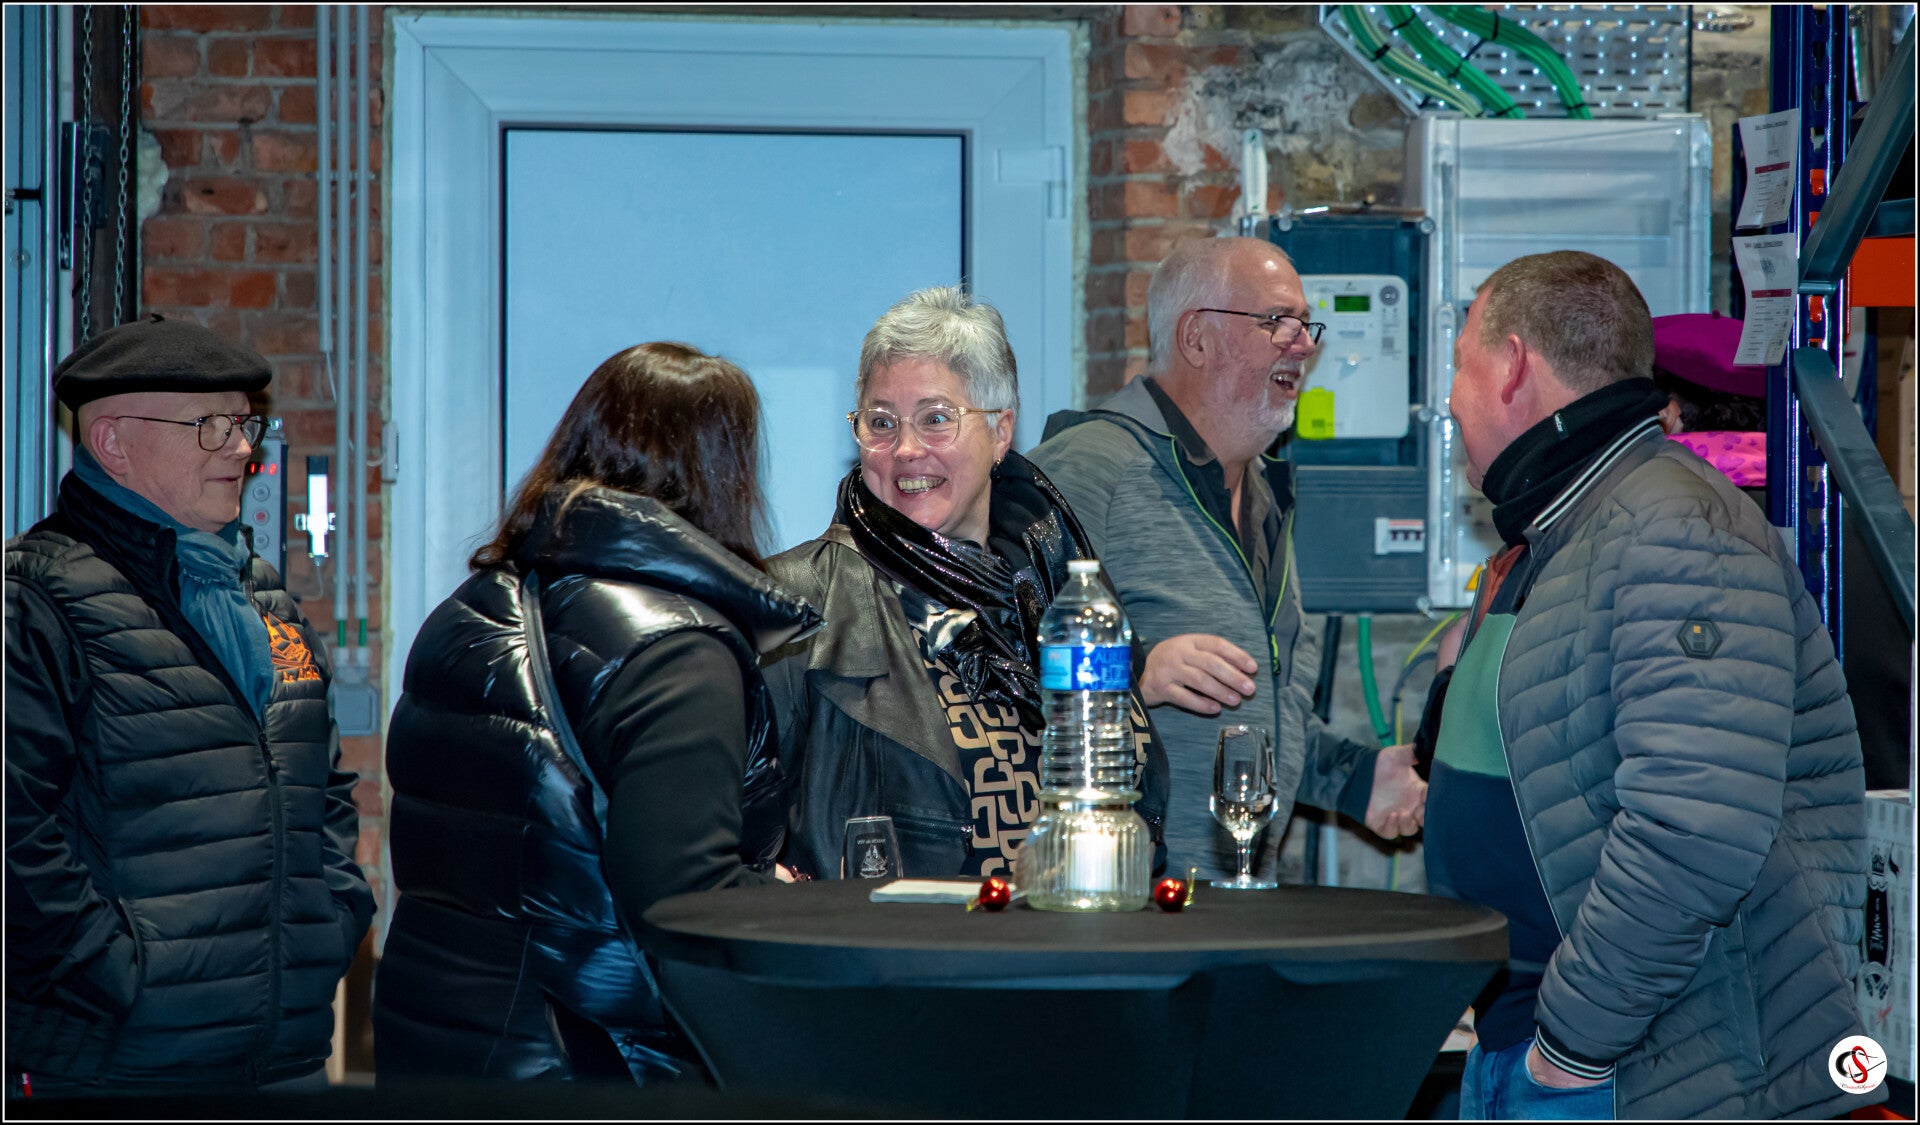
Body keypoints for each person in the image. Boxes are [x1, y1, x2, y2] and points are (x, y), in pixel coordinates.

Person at [1425, 250, 1877, 1119]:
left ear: (1513, 365)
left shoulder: (1673, 526)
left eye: (1459, 363)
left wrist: (1572, 1042)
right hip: (1536, 1050)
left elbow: (1694, 827)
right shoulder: (1563, 531)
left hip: (1634, 1072)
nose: (1450, 397)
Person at [374, 342, 819, 1082]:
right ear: (723, 475)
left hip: (431, 1044)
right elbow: (682, 901)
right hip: (583, 1062)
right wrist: (788, 900)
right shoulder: (679, 652)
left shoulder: (469, 611)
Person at [5, 315, 374, 1094]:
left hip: (285, 1061)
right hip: (124, 1070)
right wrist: (126, 978)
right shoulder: (34, 602)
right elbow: (15, 839)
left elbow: (323, 785)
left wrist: (331, 919)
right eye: (210, 425)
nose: (241, 450)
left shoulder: (261, 595)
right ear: (113, 443)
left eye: (245, 423)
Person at [1028, 236, 1426, 880]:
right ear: (1196, 339)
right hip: (1119, 899)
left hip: (1229, 902)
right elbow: (991, 662)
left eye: (1305, 323)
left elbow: (1256, 706)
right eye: (1277, 321)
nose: (1304, 344)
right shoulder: (1084, 470)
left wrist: (1358, 780)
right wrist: (1133, 671)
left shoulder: (1264, 494)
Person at [763, 286, 1170, 880]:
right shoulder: (794, 602)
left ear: (1001, 431)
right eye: (881, 422)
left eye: (935, 419)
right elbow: (723, 829)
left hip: (1082, 931)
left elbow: (1133, 795)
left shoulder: (1062, 583)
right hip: (894, 939)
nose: (905, 450)